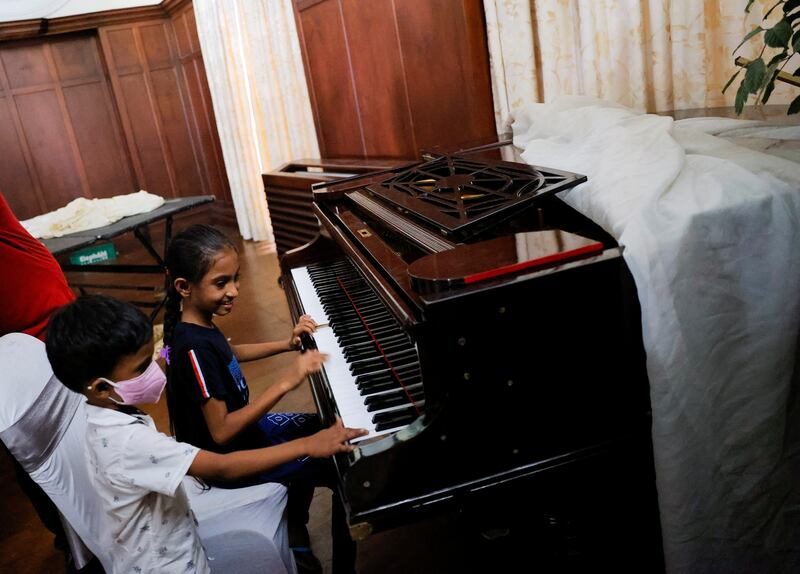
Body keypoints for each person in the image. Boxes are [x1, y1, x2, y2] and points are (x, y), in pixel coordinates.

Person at [45, 294, 366, 574]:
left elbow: (188, 353)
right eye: (143, 367)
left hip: (155, 547)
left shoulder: (101, 413)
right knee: (322, 454)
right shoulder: (128, 443)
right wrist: (308, 443)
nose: (155, 370)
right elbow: (220, 466)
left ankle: (296, 532)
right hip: (167, 563)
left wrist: (286, 344)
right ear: (101, 387)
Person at [162, 224, 354, 573]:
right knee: (343, 466)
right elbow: (220, 432)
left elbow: (230, 352)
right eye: (221, 283)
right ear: (183, 287)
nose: (233, 291)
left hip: (247, 438)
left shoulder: (197, 324)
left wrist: (287, 343)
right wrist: (286, 381)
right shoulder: (192, 347)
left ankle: (294, 519)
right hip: (231, 460)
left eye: (235, 278)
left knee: (323, 425)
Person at [0, 192, 83, 571]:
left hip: (60, 336)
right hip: (18, 364)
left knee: (94, 433)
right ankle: (69, 537)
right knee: (34, 458)